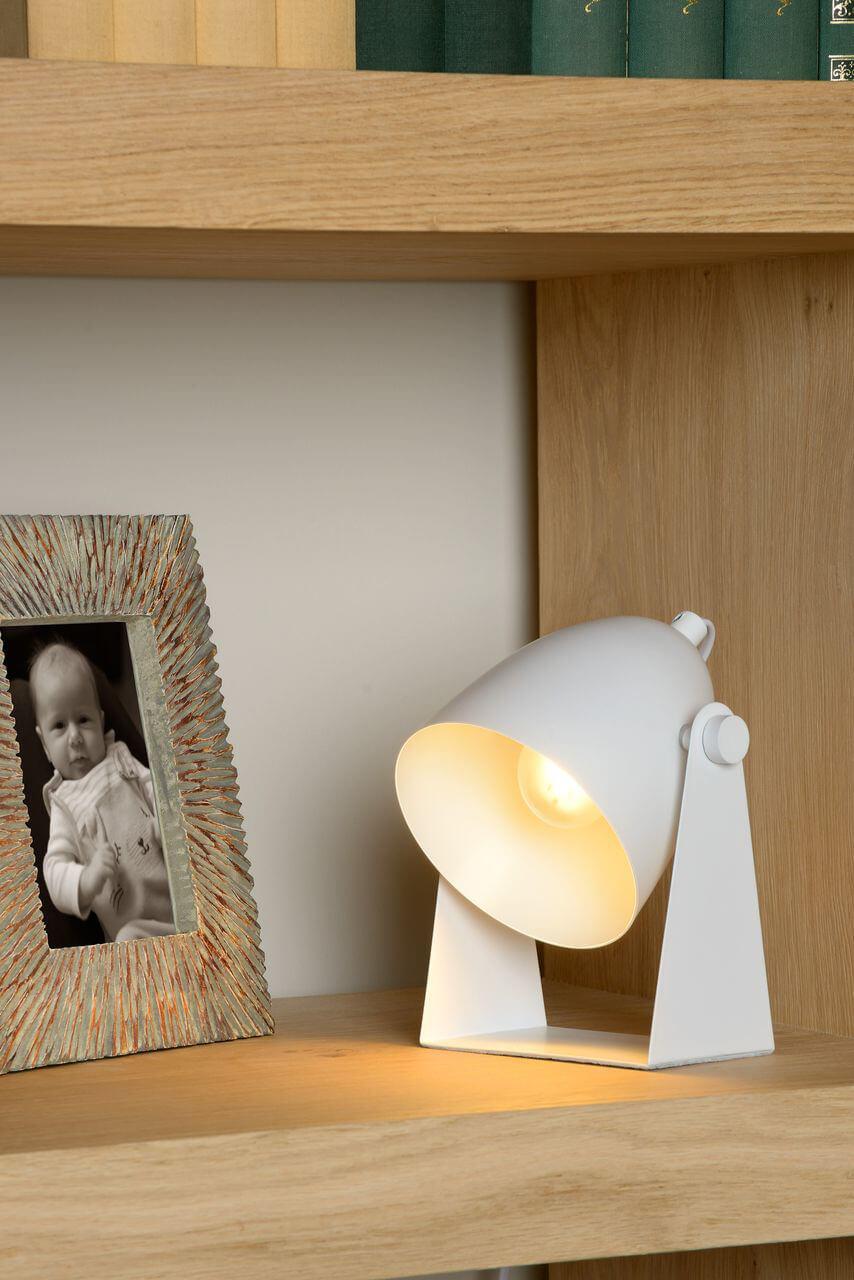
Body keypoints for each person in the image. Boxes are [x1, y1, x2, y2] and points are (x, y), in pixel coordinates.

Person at [30, 640, 175, 944]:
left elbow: (155, 790)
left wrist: (164, 822)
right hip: (140, 931)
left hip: (180, 898)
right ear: (44, 744)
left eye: (83, 720)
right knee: (126, 938)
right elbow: (54, 870)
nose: (75, 737)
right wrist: (86, 878)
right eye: (59, 725)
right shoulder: (64, 804)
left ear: (101, 720)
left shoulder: (120, 758)